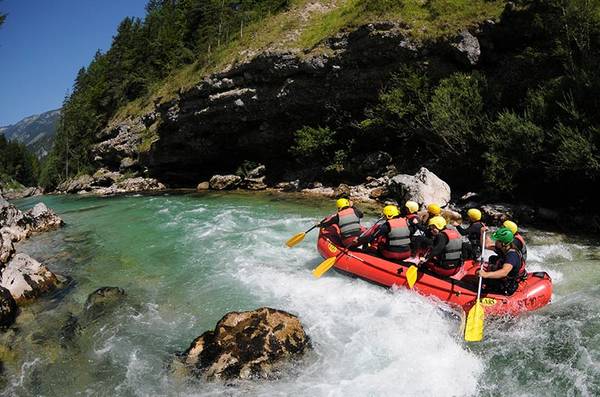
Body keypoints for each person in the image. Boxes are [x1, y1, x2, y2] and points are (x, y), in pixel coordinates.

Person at [478, 227, 526, 296]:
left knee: (483, 278)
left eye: (497, 241)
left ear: (503, 243)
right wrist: (483, 233)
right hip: (505, 277)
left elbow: (504, 272)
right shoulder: (503, 248)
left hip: (508, 285)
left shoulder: (512, 255)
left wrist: (486, 275)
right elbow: (486, 245)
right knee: (492, 258)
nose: (495, 242)